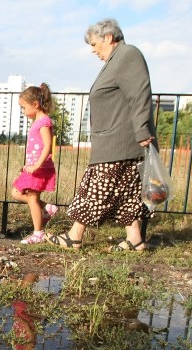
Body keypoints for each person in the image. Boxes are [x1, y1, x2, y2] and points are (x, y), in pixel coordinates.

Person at [46, 18, 156, 252]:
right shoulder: (118, 59)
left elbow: (140, 93)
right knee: (128, 193)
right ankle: (135, 239)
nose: (93, 50)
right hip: (119, 141)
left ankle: (75, 236)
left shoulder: (128, 55)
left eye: (94, 44)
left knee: (96, 190)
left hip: (119, 141)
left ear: (108, 37)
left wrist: (142, 129)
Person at [10, 83, 59, 244]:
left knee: (32, 198)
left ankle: (38, 233)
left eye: (23, 107)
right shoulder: (38, 121)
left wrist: (37, 165)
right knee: (16, 193)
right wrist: (28, 165)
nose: (23, 112)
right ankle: (46, 208)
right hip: (33, 167)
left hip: (40, 168)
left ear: (35, 104)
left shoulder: (44, 122)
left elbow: (47, 146)